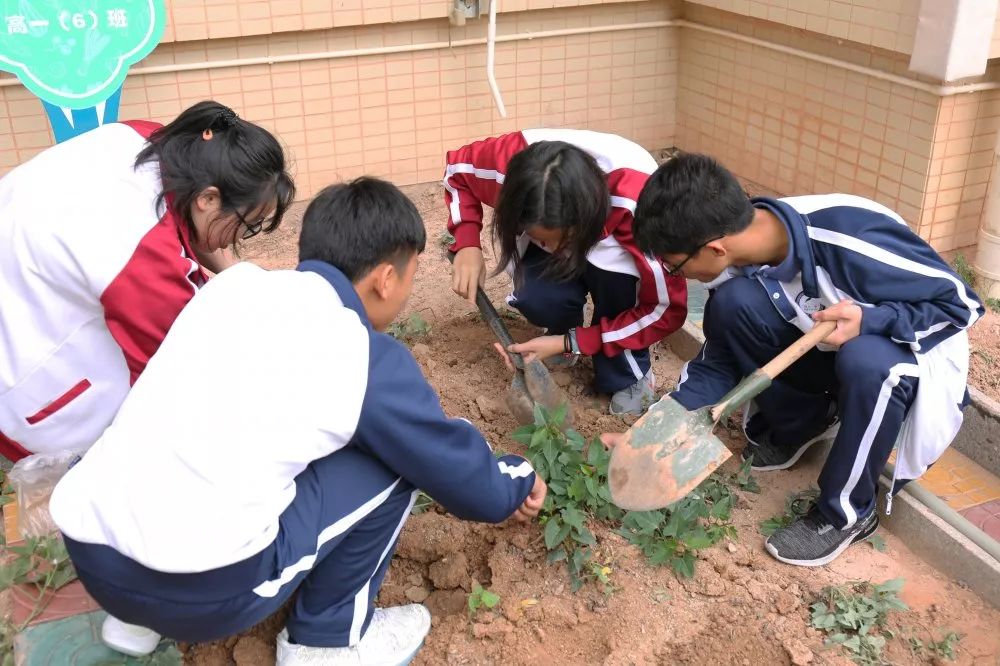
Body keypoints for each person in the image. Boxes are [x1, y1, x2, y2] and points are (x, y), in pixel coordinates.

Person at [49, 177, 547, 664]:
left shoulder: (234, 288)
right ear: (387, 278)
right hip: (203, 589)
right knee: (397, 463)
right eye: (412, 276)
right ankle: (327, 641)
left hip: (92, 549)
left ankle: (134, 621)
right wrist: (515, 478)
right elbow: (457, 475)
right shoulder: (363, 355)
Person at [628, 152, 983, 567]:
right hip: (831, 351)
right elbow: (719, 358)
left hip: (914, 357)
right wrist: (659, 426)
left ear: (714, 248)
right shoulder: (745, 252)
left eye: (675, 267)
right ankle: (806, 423)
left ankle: (847, 513)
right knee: (733, 306)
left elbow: (962, 304)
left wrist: (874, 319)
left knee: (868, 360)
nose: (678, 277)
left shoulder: (849, 240)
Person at [0, 100, 294, 462]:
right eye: (245, 225)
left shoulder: (156, 142)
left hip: (25, 287)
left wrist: (242, 280)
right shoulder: (142, 259)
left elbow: (193, 231)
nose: (236, 241)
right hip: (32, 377)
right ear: (208, 198)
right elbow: (180, 372)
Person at [444, 129, 688, 415]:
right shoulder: (506, 169)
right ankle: (562, 327)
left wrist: (577, 341)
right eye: (543, 238)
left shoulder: (641, 206)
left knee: (617, 291)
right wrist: (467, 242)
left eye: (563, 240)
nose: (557, 251)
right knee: (537, 295)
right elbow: (456, 170)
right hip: (584, 221)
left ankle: (628, 373)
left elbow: (664, 309)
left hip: (619, 232)